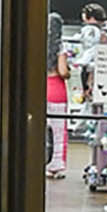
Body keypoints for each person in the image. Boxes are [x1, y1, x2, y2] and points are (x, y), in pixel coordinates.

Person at [45, 11, 70, 178]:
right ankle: (57, 165)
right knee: (59, 130)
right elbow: (62, 71)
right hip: (57, 90)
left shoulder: (37, 43)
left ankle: (43, 163)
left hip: (41, 88)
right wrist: (69, 72)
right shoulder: (61, 46)